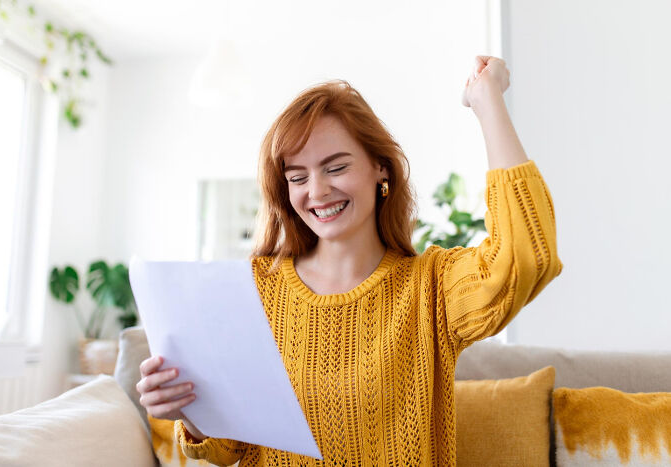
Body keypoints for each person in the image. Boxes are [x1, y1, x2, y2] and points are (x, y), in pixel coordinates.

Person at [136, 56, 564, 466]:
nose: (317, 191)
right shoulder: (254, 291)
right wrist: (185, 408)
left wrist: (488, 101)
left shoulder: (430, 288)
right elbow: (229, 447)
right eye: (298, 177)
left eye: (335, 167)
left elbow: (525, 256)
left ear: (380, 168)